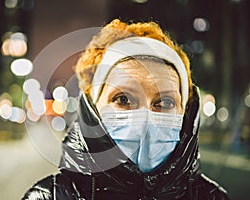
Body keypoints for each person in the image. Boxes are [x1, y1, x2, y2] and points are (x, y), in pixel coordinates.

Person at [22, 19, 229, 200]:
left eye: (165, 103)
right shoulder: (49, 197)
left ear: (186, 113)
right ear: (93, 109)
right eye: (123, 98)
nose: (146, 117)